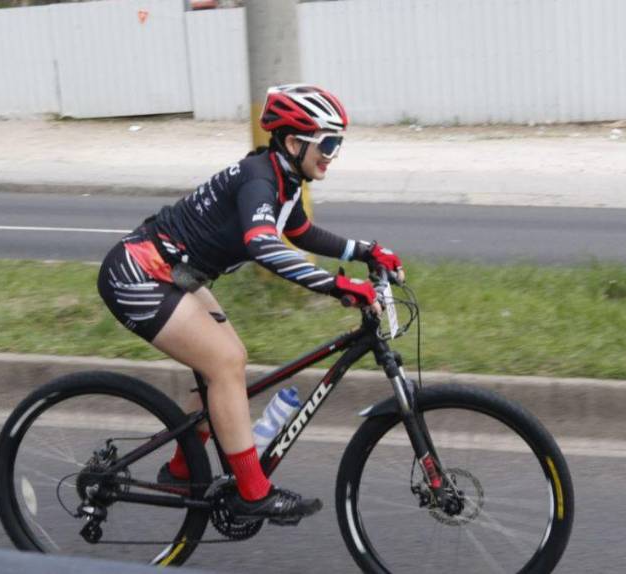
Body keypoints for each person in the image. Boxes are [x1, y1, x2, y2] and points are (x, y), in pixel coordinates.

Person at [96, 84, 404, 525]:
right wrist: (337, 286)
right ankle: (253, 492)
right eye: (329, 143)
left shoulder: (283, 178)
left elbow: (300, 234)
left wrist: (367, 251)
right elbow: (263, 246)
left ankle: (182, 471)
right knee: (223, 364)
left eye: (338, 144)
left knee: (230, 360)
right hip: (139, 273)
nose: (333, 154)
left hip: (173, 274)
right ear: (295, 142)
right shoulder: (260, 179)